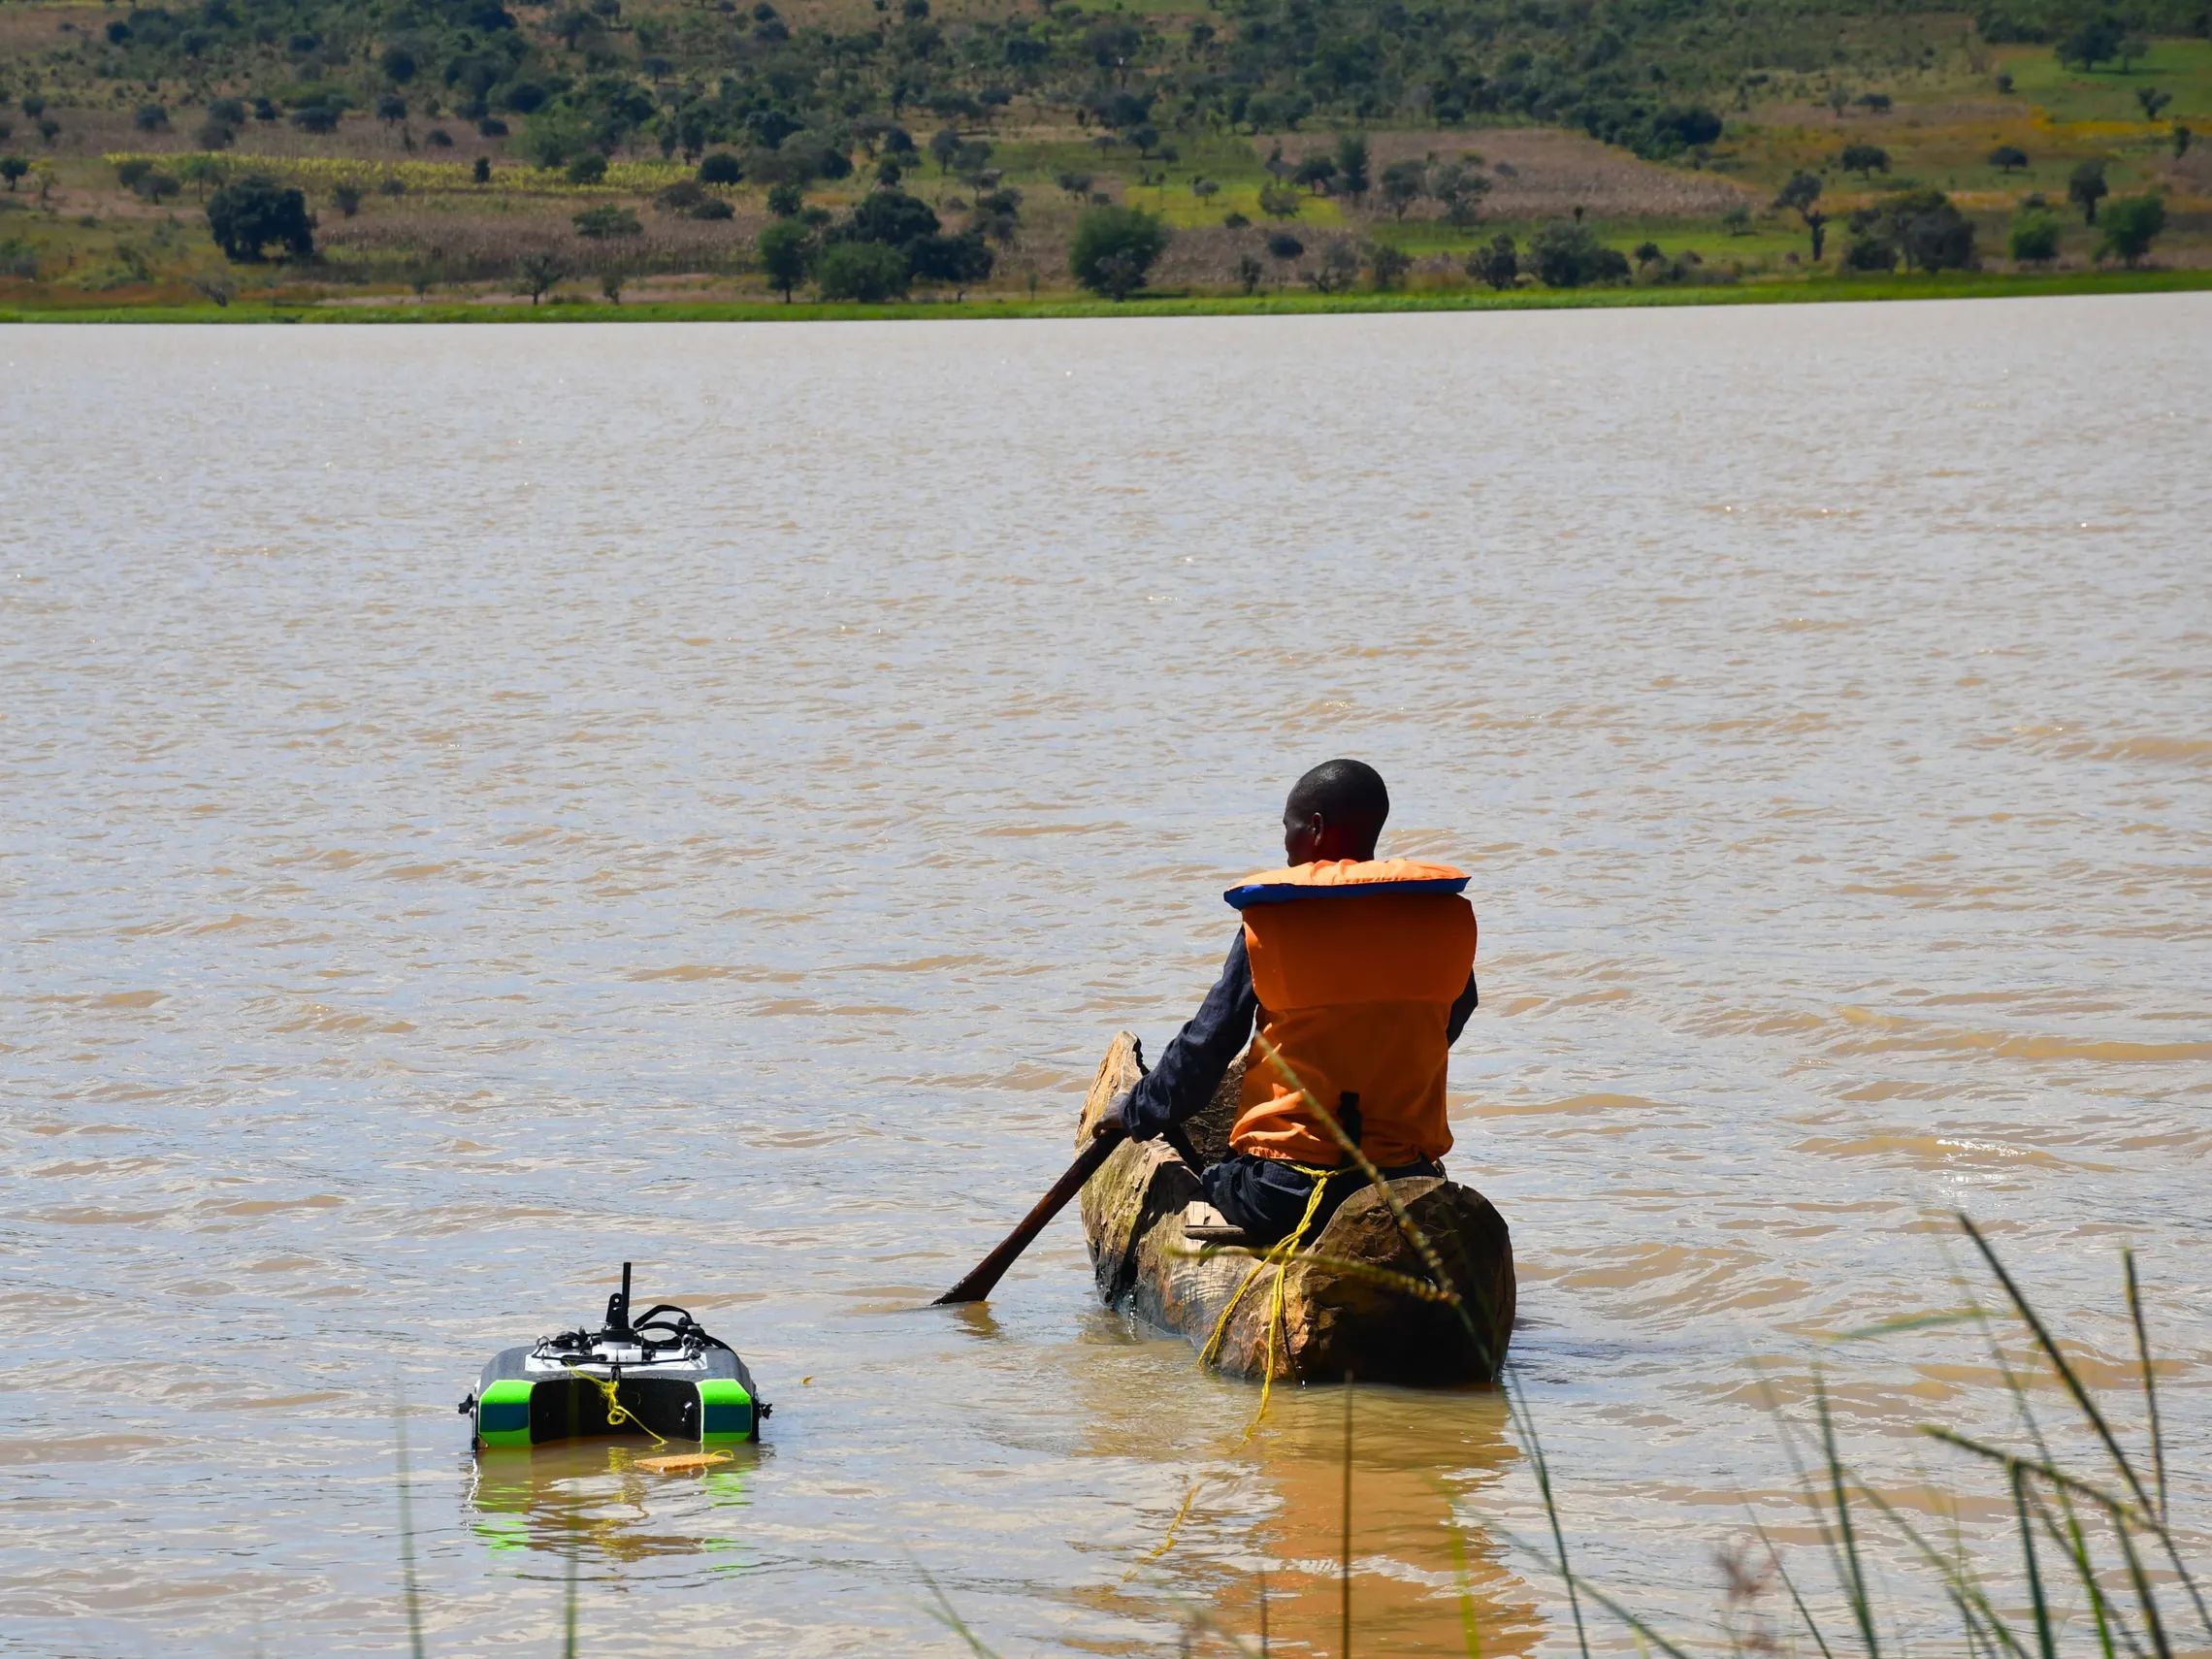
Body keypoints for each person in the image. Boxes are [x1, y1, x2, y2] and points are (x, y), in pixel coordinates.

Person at [1099, 759, 1479, 1248]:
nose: (1286, 844)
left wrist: (1135, 1110)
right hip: (1402, 1178)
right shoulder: (1437, 915)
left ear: (1315, 828)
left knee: (1217, 1175)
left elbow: (1209, 1045)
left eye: (1289, 828)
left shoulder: (1277, 917)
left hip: (1286, 1191)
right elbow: (1451, 1015)